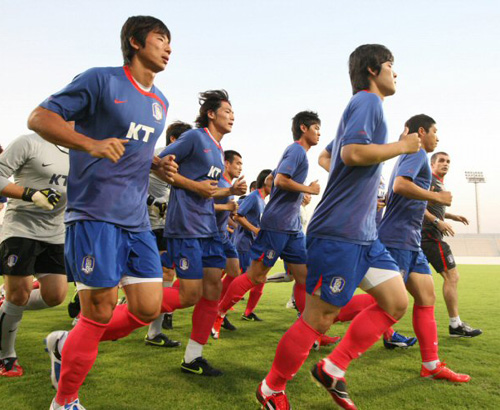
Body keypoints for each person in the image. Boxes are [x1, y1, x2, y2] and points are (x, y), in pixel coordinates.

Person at [256, 44, 421, 410]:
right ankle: (271, 388)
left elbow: (327, 155)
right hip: (338, 232)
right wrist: (402, 146)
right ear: (374, 70)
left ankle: (332, 367)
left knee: (396, 302)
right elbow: (349, 154)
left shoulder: (366, 108)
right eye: (392, 66)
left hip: (365, 234)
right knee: (319, 317)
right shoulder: (368, 102)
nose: (397, 73)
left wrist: (350, 179)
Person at [27, 16, 177, 409]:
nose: (168, 48)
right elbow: (39, 117)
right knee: (98, 313)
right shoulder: (100, 80)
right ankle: (64, 401)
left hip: (137, 221)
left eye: (170, 42)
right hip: (94, 215)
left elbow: (131, 150)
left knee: (147, 308)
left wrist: (155, 164)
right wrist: (88, 144)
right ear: (135, 42)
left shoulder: (160, 102)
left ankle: (64, 342)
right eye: (161, 39)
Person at [158, 89, 247, 376]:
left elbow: (209, 191)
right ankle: (133, 305)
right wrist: (193, 186)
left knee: (213, 289)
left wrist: (229, 191)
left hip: (208, 228)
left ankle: (192, 357)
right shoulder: (195, 137)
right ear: (211, 113)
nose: (232, 116)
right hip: (185, 227)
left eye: (233, 112)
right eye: (227, 111)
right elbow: (158, 163)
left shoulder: (218, 150)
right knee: (189, 295)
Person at [378, 114, 470, 385]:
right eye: (435, 132)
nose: (438, 137)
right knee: (388, 303)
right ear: (422, 132)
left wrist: (443, 212)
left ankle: (431, 364)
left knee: (426, 296)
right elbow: (399, 185)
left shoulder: (414, 156)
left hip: (411, 240)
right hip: (396, 239)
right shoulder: (416, 152)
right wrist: (437, 197)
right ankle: (322, 317)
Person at [216, 110, 321, 332]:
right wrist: (307, 189)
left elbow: (273, 178)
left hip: (292, 228)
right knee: (255, 276)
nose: (320, 133)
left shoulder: (297, 153)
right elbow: (281, 180)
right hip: (278, 225)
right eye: (316, 128)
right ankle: (218, 313)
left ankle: (308, 331)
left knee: (304, 278)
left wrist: (300, 194)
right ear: (303, 128)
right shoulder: (296, 151)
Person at [0, 134, 68, 377]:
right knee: (19, 295)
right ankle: (6, 356)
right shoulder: (29, 142)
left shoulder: (85, 150)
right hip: (21, 227)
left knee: (56, 295)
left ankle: (5, 303)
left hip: (56, 231)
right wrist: (31, 194)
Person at [421, 152, 482, 337]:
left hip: (427, 235)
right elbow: (417, 203)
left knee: (402, 281)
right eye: (441, 161)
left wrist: (450, 216)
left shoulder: (439, 182)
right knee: (452, 277)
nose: (445, 164)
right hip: (429, 236)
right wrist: (436, 222)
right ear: (432, 164)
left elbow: (432, 207)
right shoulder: (429, 179)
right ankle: (455, 325)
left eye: (448, 161)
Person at [144, 121, 192, 348]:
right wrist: (154, 202)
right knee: (125, 271)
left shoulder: (181, 164)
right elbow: (130, 184)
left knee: (166, 271)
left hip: (164, 226)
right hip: (139, 222)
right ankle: (83, 309)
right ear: (174, 140)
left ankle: (155, 332)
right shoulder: (152, 156)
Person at [212, 168, 272, 338]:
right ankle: (217, 312)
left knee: (244, 278)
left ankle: (220, 313)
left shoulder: (263, 201)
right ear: (265, 180)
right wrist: (254, 229)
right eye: (272, 178)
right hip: (243, 244)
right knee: (238, 277)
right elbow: (237, 215)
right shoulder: (253, 197)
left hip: (252, 245)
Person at [213, 150, 244, 332]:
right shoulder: (220, 183)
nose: (240, 167)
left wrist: (232, 217)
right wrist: (227, 206)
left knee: (234, 271)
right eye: (237, 163)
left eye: (241, 164)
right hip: (212, 236)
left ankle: (219, 310)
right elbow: (204, 206)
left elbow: (224, 211)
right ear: (226, 164)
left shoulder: (229, 187)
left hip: (223, 236)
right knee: (203, 283)